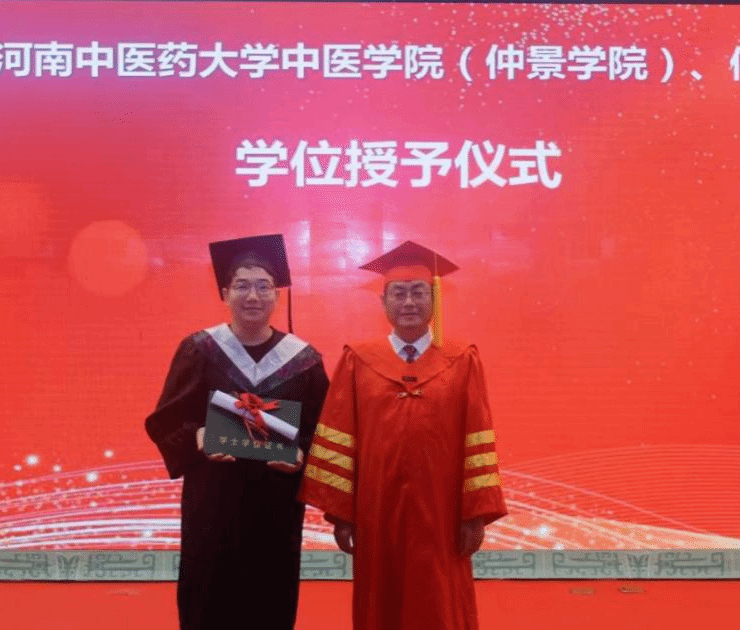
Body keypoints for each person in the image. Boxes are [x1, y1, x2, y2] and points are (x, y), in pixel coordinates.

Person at [298, 240, 507, 630]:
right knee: (383, 596)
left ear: (434, 299)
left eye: (418, 292)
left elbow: (477, 435)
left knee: (439, 597)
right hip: (376, 508)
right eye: (398, 293)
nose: (409, 301)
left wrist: (475, 515)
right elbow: (340, 434)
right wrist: (342, 514)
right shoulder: (358, 360)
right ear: (383, 303)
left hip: (442, 511)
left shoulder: (462, 359)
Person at [145, 234, 329, 630]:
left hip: (275, 509)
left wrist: (301, 454)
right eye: (242, 286)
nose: (253, 296)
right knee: (209, 601)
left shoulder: (304, 360)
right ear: (225, 293)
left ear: (276, 295)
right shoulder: (200, 350)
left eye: (263, 286)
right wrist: (196, 438)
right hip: (213, 504)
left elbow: (325, 431)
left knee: (270, 601)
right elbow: (166, 420)